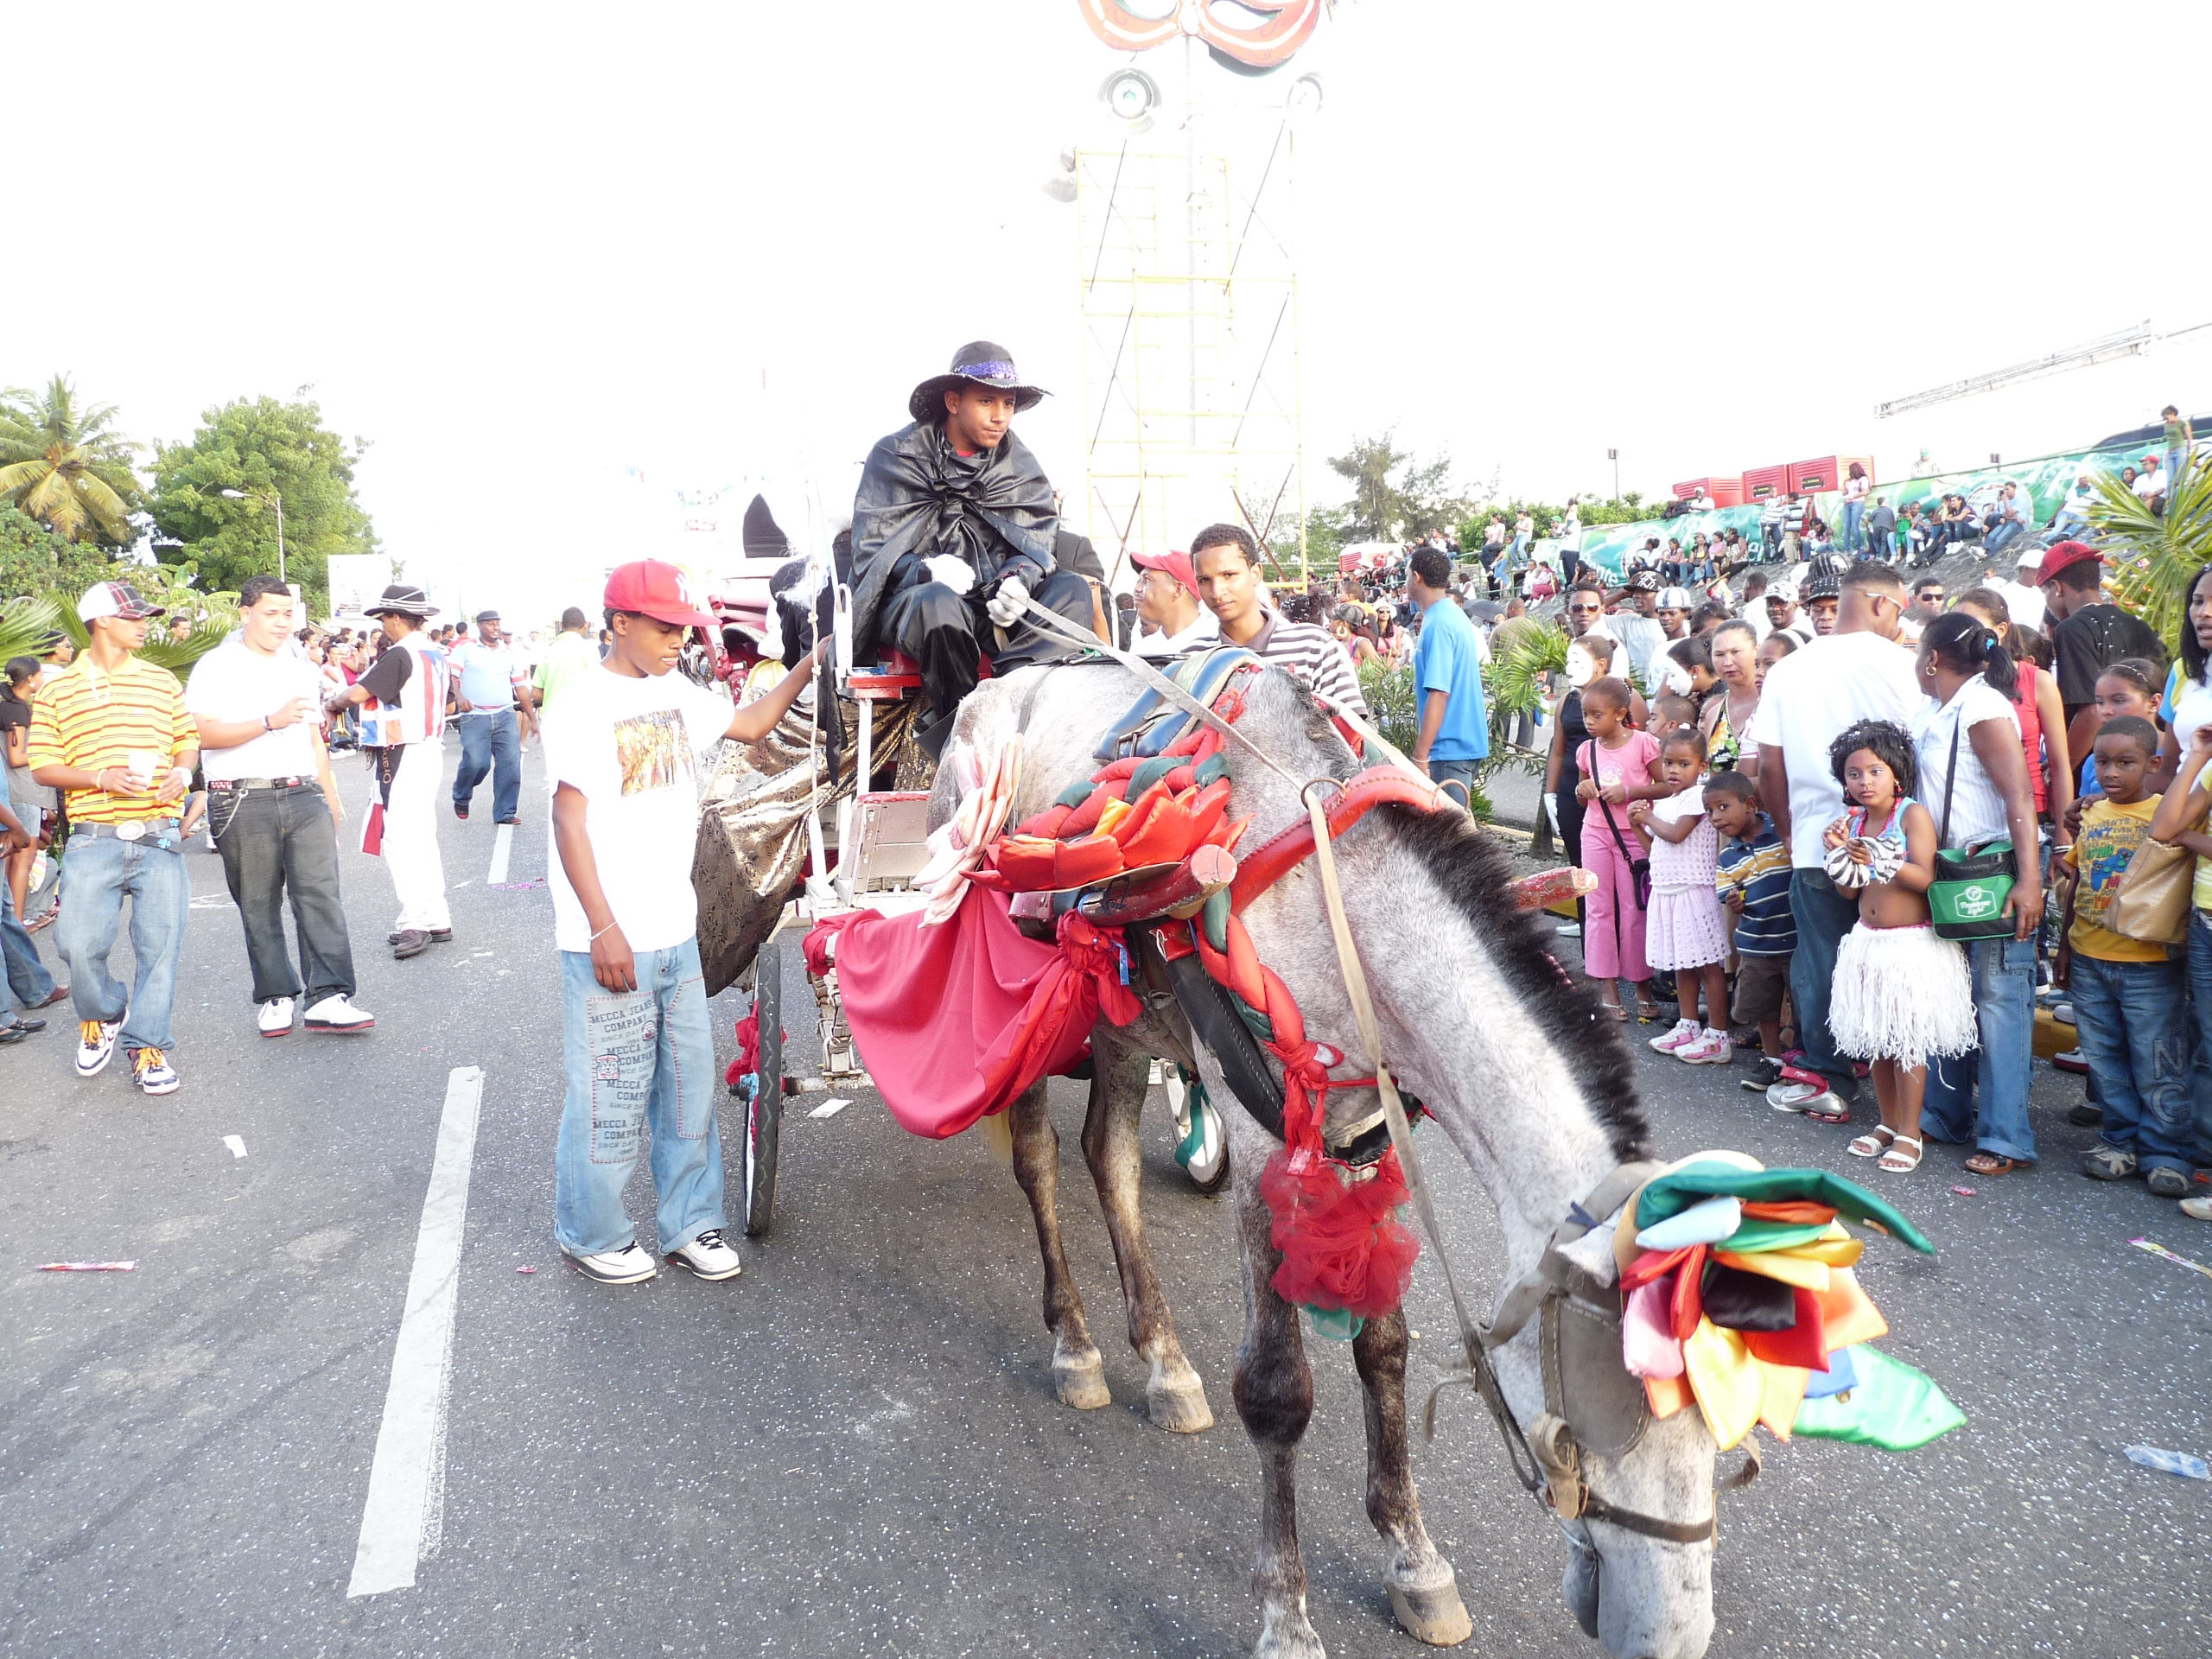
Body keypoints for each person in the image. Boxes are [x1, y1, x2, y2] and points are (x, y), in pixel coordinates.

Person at [544, 560, 823, 1285]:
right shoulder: (581, 704)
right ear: (621, 624)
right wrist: (603, 929)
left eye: (684, 629)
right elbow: (568, 822)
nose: (678, 640)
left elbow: (753, 722)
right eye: (665, 628)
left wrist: (810, 665)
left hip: (675, 933)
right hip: (611, 939)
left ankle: (690, 1226)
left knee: (688, 1094)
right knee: (610, 1096)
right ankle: (591, 1232)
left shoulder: (679, 692)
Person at [849, 341, 1096, 755]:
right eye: (986, 401)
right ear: (953, 401)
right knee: (937, 603)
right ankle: (961, 734)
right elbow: (872, 548)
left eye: (1009, 403)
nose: (1000, 416)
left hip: (993, 599)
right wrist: (924, 569)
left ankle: (1017, 710)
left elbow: (1035, 538)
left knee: (1071, 590)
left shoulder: (1018, 463)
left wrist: (1017, 579)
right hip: (916, 601)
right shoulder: (896, 455)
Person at [1749, 562, 1923, 1122]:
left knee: (1822, 958)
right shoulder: (1901, 663)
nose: (1900, 621)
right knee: (1898, 958)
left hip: (1814, 844)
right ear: (1879, 602)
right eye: (1899, 609)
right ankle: (1909, 1089)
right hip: (1894, 842)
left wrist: (1793, 829)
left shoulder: (1788, 669)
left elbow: (1769, 767)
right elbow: (1921, 754)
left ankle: (1829, 1075)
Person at [25, 582, 199, 1095]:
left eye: (146, 616)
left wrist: (183, 776)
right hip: (92, 837)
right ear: (101, 621)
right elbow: (42, 765)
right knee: (76, 945)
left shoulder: (161, 681)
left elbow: (186, 739)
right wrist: (100, 776)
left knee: (159, 947)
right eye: (134, 616)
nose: (145, 624)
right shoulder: (57, 689)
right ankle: (104, 1011)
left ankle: (149, 1045)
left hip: (159, 834)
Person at [186, 574, 373, 1039]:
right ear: (246, 614)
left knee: (320, 896)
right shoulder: (216, 665)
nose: (282, 623)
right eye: (271, 613)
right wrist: (270, 722)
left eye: (288, 614)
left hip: (302, 792)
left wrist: (329, 797)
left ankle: (329, 996)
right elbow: (199, 733)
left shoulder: (298, 666)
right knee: (258, 902)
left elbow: (311, 735)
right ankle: (275, 995)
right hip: (240, 796)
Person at [1908, 613, 2044, 1178]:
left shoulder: (1984, 707)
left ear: (1933, 658)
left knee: (2000, 1004)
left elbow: (2019, 795)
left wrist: (2030, 879)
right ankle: (1946, 1115)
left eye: (1919, 652)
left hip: (1992, 870)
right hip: (1951, 872)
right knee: (1953, 998)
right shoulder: (1936, 710)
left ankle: (2007, 1136)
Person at [1822, 719, 1975, 1175]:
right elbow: (1850, 893)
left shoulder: (1911, 815)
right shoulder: (1852, 820)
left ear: (1897, 774)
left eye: (1874, 771)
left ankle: (1911, 1131)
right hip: (1868, 944)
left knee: (1908, 1042)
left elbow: (1926, 879)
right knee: (1878, 1042)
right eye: (1853, 774)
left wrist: (1878, 856)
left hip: (1910, 946)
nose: (1864, 782)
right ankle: (1887, 1123)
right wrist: (1839, 854)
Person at [2062, 715, 2194, 1193]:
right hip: (2090, 957)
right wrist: (2063, 951)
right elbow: (2075, 883)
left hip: (2149, 964)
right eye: (2102, 762)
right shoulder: (2091, 814)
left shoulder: (2167, 813)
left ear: (2153, 763)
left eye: (2126, 762)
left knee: (2157, 1059)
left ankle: (2166, 1151)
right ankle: (2119, 1141)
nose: (2111, 772)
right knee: (2104, 1059)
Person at [331, 584, 454, 959]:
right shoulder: (435, 651)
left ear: (398, 618)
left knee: (401, 840)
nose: (383, 626)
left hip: (404, 753)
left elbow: (356, 694)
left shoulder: (401, 654)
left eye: (385, 619)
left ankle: (415, 919)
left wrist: (331, 703)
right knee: (421, 836)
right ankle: (435, 916)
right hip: (428, 748)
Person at [1191, 524, 1368, 717]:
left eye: (1229, 575)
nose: (1217, 591)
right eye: (1204, 580)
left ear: (1256, 573)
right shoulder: (1193, 658)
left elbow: (1353, 738)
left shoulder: (1314, 646)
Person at [1630, 728, 1731, 1064]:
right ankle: (1688, 1024)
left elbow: (1675, 835)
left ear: (1702, 766)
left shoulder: (1697, 798)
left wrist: (1647, 817)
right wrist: (1637, 828)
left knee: (1706, 965)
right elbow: (1656, 849)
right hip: (1667, 890)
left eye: (1683, 764)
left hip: (1693, 891)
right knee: (1680, 963)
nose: (1674, 771)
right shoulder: (1667, 802)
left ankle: (1718, 1035)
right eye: (1668, 763)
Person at [1574, 677, 1665, 1021]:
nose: (1589, 722)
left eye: (1597, 715)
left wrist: (1629, 792)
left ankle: (1641, 984)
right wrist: (1582, 791)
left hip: (1635, 835)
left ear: (1620, 713)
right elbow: (1582, 797)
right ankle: (1607, 988)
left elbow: (1666, 787)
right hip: (1596, 833)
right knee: (1598, 909)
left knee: (1635, 909)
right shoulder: (1587, 750)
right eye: (1586, 715)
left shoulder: (1644, 744)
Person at [1951, 587, 2070, 844]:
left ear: (2002, 629)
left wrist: (2063, 836)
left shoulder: (2036, 681)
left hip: (2029, 814)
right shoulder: (1952, 684)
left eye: (1972, 626)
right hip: (1970, 818)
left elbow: (2060, 765)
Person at [2040, 540, 2167, 778]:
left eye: (2045, 592)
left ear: (2057, 587)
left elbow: (2090, 713)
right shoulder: (2137, 622)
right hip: (2145, 761)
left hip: (2102, 768)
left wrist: (2060, 770)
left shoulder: (2071, 629)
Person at [1707, 770, 1796, 1091]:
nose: (1716, 817)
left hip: (1794, 937)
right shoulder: (1727, 857)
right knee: (1763, 1005)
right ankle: (1772, 1059)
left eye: (1722, 807)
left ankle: (1802, 1058)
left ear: (1749, 804)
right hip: (1757, 943)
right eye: (1710, 811)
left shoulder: (1781, 834)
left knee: (1802, 1001)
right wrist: (1734, 902)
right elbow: (1727, 891)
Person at [1404, 545, 1490, 807]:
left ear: (1416, 577)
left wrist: (1420, 755)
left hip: (1448, 749)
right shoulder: (1449, 614)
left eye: (1406, 575)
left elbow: (1439, 692)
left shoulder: (1439, 622)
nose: (1406, 581)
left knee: (1449, 843)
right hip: (1460, 747)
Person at [448, 608, 533, 825]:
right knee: (478, 763)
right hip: (475, 716)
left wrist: (532, 718)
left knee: (510, 765)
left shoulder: (509, 653)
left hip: (504, 714)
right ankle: (462, 793)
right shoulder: (466, 649)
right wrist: (458, 697)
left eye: (498, 623)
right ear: (479, 626)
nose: (496, 627)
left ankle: (505, 812)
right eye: (490, 623)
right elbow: (453, 675)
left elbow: (521, 688)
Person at [1128, 549, 1218, 659]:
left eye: (1147, 580)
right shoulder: (1142, 650)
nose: (1138, 588)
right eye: (1140, 580)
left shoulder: (1215, 645)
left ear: (1178, 589)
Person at [1701, 620, 1762, 777]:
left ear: (1757, 650)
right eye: (1719, 655)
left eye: (1736, 652)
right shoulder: (1714, 715)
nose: (1728, 662)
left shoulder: (1773, 704)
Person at [533, 606, 599, 717]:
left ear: (561, 625)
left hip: (551, 719)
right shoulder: (591, 650)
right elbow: (597, 686)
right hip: (582, 717)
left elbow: (536, 694)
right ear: (586, 625)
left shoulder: (548, 651)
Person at [1763, 582, 1813, 646]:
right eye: (1770, 604)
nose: (1774, 608)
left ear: (1795, 605)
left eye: (1781, 603)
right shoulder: (1766, 634)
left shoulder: (1801, 636)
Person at [2163, 404, 2194, 503]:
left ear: (2173, 414)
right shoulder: (2166, 425)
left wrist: (2190, 451)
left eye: (2167, 416)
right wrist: (2167, 452)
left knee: (2181, 478)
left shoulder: (2183, 423)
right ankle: (2172, 502)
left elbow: (2189, 437)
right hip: (2170, 451)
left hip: (2180, 450)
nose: (2166, 419)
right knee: (2170, 480)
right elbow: (2169, 438)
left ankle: (2182, 501)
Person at [1866, 494, 1897, 562]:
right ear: (1884, 502)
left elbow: (1868, 520)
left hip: (1876, 528)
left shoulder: (1876, 510)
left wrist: (1868, 530)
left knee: (1875, 540)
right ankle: (1881, 556)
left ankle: (1878, 554)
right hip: (1886, 528)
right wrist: (1893, 529)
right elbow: (1893, 521)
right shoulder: (1890, 510)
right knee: (1884, 542)